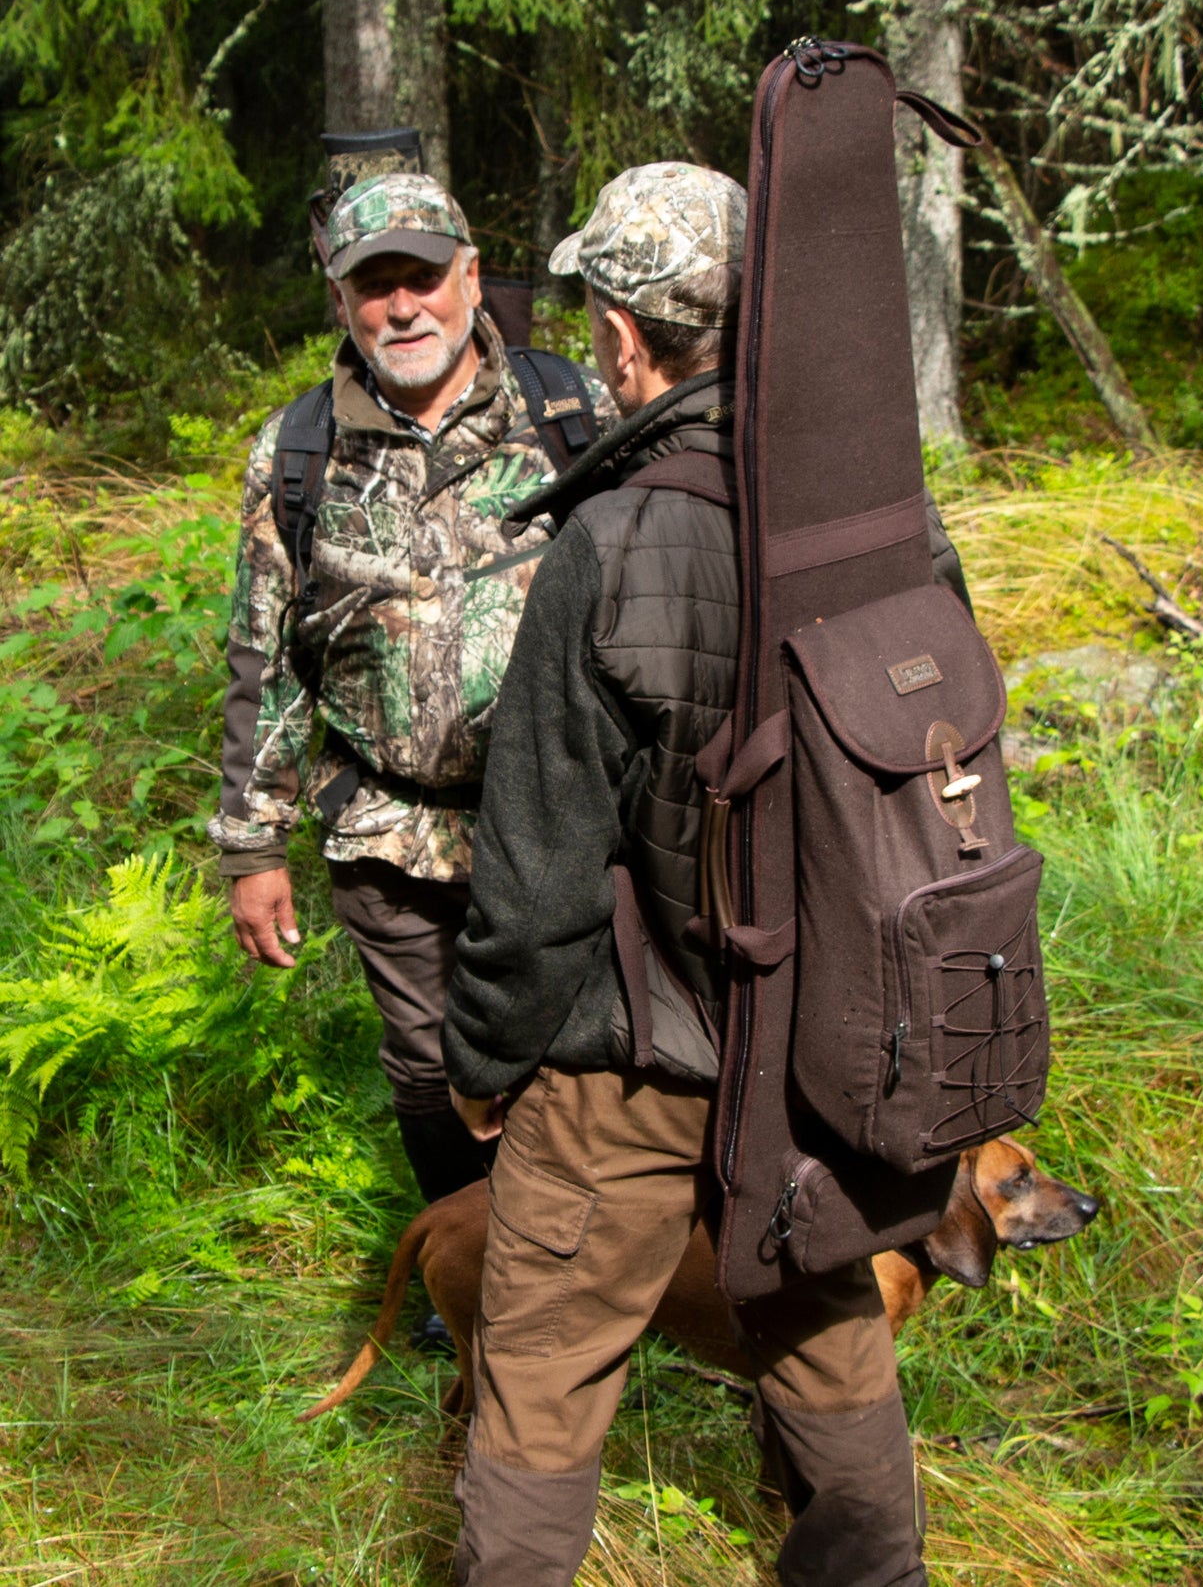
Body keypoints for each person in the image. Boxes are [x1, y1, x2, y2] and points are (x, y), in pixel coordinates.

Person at [441, 161, 970, 1585]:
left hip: (624, 1068)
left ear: (625, 336)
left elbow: (535, 877)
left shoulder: (605, 545)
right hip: (828, 1054)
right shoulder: (893, 528)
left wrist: (482, 1059)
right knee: (826, 1328)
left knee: (543, 1378)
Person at [209, 171, 612, 1205]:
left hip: (560, 822)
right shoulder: (296, 452)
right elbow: (265, 656)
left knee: (579, 1047)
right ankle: (463, 1261)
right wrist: (254, 841)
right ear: (340, 301)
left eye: (422, 277)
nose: (402, 306)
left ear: (470, 278)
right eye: (373, 283)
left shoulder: (572, 407)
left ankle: (586, 1268)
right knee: (431, 1066)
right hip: (388, 831)